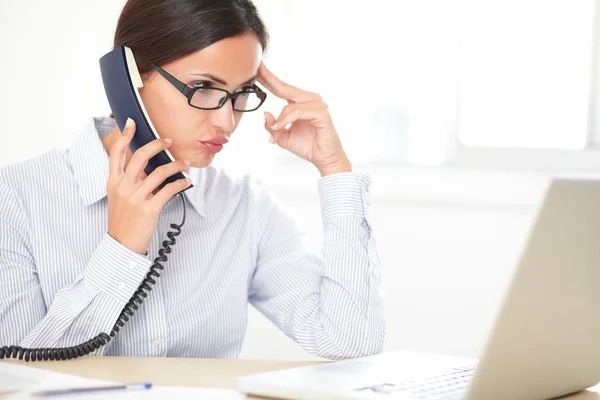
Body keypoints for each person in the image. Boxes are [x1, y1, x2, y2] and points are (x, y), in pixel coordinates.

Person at [0, 0, 384, 360]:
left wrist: (335, 169)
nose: (227, 121)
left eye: (242, 93)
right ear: (127, 79)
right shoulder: (17, 197)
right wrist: (121, 250)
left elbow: (347, 340)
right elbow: (18, 375)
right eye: (204, 88)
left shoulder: (244, 205)